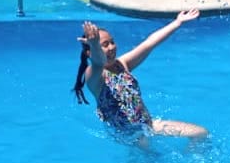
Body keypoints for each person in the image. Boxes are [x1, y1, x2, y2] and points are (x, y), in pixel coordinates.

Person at [72, 9, 209, 141]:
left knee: (200, 133)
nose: (112, 47)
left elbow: (149, 44)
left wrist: (177, 22)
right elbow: (98, 62)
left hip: (147, 125)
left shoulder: (122, 64)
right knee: (149, 153)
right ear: (89, 53)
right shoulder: (94, 75)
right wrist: (95, 44)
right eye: (105, 44)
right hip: (127, 134)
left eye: (112, 42)